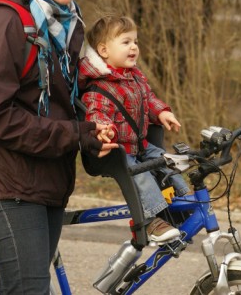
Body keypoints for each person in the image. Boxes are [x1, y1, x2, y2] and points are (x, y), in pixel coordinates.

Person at [0, 0, 118, 294]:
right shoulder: (7, 21)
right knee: (30, 290)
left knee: (21, 287)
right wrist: (73, 133)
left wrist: (92, 130)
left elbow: (63, 101)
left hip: (45, 178)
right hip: (2, 180)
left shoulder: (68, 22)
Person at [78, 15, 190, 244]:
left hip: (141, 145)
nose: (134, 47)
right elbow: (96, 113)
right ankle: (150, 220)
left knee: (168, 162)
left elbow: (148, 98)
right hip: (119, 151)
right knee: (141, 175)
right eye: (126, 42)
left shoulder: (134, 77)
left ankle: (182, 206)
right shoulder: (99, 86)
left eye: (135, 42)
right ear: (104, 50)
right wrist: (104, 130)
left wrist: (161, 112)